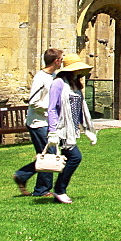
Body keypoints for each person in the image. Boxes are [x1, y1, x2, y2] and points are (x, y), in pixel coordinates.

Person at [46, 53, 97, 204]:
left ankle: (59, 190)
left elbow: (79, 108)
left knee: (70, 158)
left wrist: (87, 129)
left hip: (72, 129)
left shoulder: (75, 84)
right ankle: (59, 190)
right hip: (62, 129)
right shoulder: (58, 83)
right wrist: (53, 131)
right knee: (75, 157)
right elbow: (52, 108)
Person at [13, 48, 62, 197]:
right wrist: (51, 109)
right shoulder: (40, 78)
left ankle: (22, 176)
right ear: (56, 61)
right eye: (61, 59)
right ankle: (41, 190)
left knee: (47, 154)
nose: (62, 61)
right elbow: (33, 101)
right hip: (37, 122)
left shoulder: (54, 76)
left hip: (47, 122)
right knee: (49, 155)